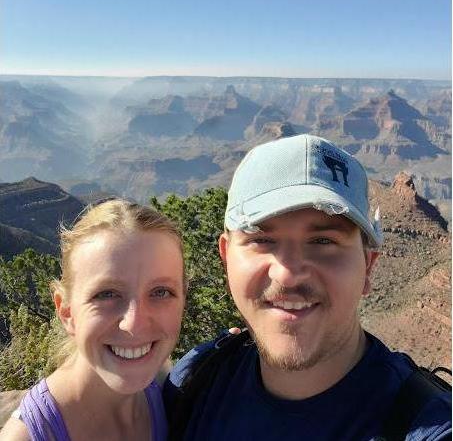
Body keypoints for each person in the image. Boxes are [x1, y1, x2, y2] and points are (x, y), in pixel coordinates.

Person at [164, 134, 451, 440]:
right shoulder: (196, 380)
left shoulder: (430, 427)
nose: (288, 275)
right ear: (226, 259)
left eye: (323, 241)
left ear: (368, 267)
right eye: (262, 240)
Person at [1, 200, 186, 441]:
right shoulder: (29, 436)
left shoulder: (161, 377)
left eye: (161, 292)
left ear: (183, 297)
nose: (134, 324)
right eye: (106, 294)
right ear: (66, 311)